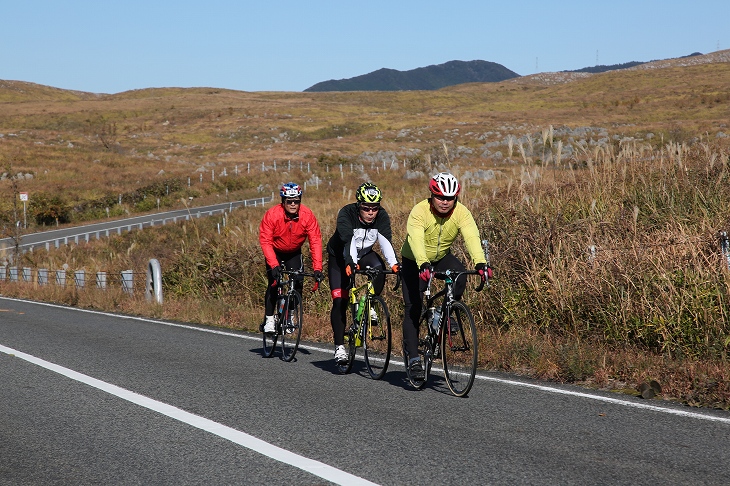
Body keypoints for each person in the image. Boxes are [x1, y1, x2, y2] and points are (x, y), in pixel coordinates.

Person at [400, 172, 490, 380]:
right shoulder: (419, 211)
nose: (445, 202)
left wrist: (481, 263)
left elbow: (472, 236)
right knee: (413, 307)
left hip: (441, 257)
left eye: (450, 198)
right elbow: (415, 239)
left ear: (456, 198)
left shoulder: (461, 212)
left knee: (460, 274)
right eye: (440, 197)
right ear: (431, 194)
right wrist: (422, 263)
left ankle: (443, 312)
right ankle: (414, 359)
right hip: (415, 260)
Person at [326, 182, 400, 363]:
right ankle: (339, 347)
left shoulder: (381, 216)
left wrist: (395, 265)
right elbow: (348, 241)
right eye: (366, 208)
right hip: (341, 256)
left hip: (365, 254)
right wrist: (350, 262)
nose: (370, 213)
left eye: (374, 208)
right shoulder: (346, 213)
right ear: (359, 205)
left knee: (379, 269)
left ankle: (369, 304)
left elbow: (385, 242)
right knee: (339, 300)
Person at [259, 182, 323, 333]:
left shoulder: (307, 215)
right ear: (283, 202)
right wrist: (274, 265)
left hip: (294, 252)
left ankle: (290, 315)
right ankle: (269, 319)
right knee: (274, 283)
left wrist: (317, 268)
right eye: (290, 201)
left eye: (297, 201)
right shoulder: (272, 215)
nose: (293, 204)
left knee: (298, 282)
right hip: (275, 251)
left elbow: (315, 241)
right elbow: (265, 241)